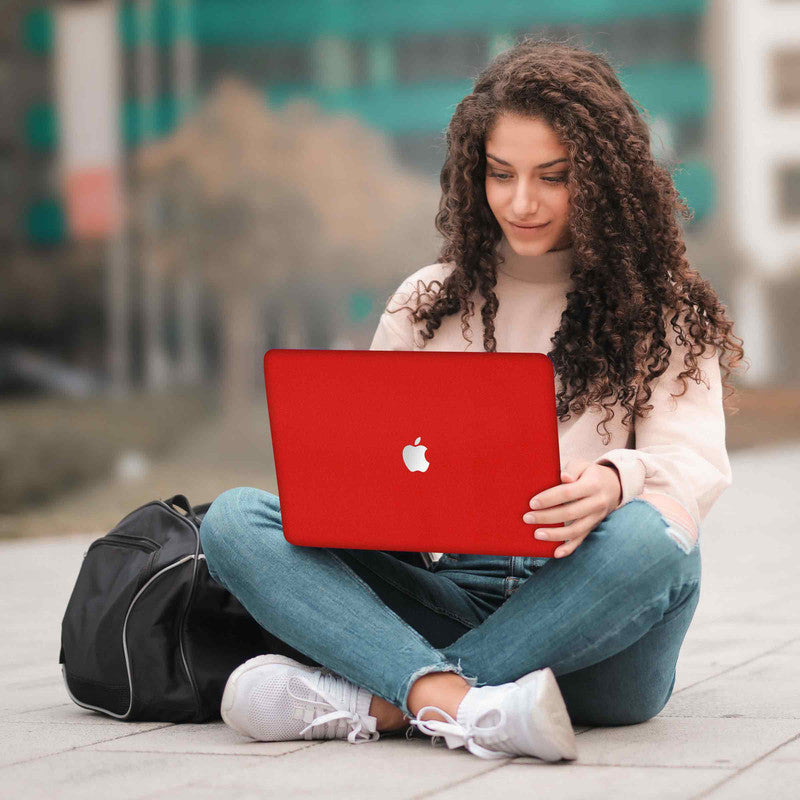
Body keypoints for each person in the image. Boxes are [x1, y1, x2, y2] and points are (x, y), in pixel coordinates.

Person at [199, 38, 745, 762]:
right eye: (501, 174)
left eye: (554, 177)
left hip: (597, 627)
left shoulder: (662, 308)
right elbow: (372, 463)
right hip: (448, 592)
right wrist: (356, 496)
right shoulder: (428, 301)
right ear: (474, 173)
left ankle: (394, 702)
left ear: (607, 180)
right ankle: (466, 707)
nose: (522, 202)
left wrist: (617, 481)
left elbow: (694, 463)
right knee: (235, 520)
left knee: (663, 541)